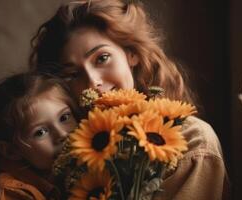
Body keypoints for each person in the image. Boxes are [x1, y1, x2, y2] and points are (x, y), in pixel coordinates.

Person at [29, 0, 229, 199]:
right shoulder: (62, 152)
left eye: (102, 58)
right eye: (72, 74)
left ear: (131, 53)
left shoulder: (191, 141)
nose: (92, 83)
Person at [0, 72, 80, 200]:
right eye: (40, 132)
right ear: (11, 151)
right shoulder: (10, 192)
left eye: (64, 117)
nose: (62, 134)